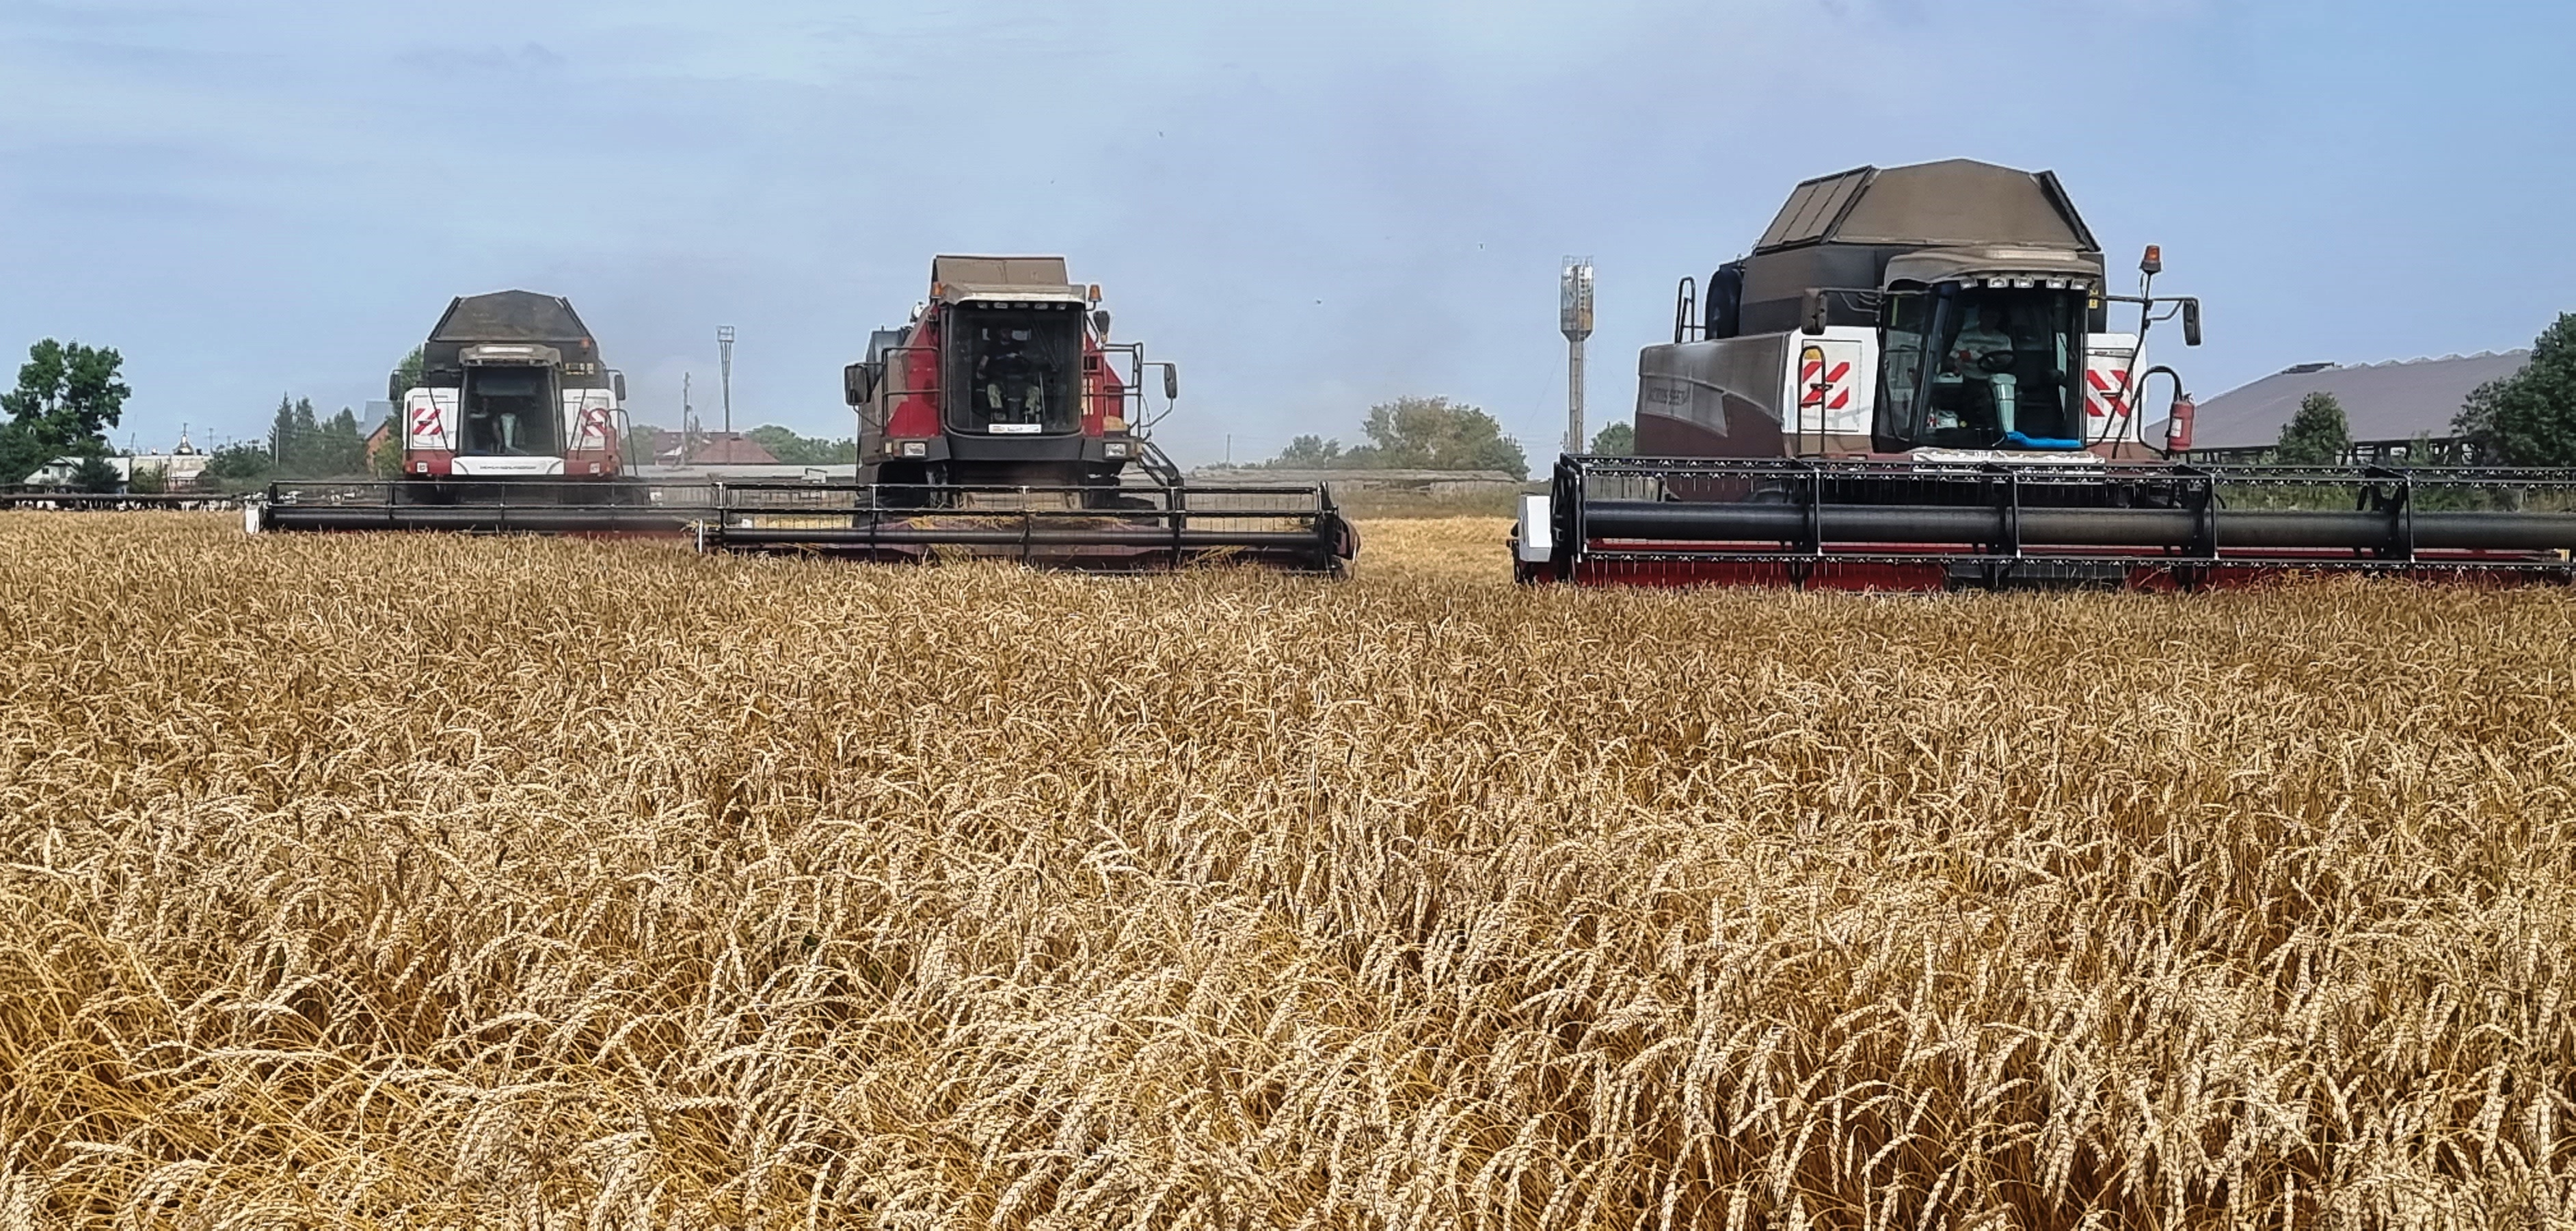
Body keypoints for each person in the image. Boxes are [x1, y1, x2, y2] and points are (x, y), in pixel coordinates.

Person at [1944, 304, 2020, 436]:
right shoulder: (1966, 336)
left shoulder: (2003, 340)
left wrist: (1995, 357)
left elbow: (2008, 361)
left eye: (1994, 317)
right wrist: (1961, 360)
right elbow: (1952, 358)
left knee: (2018, 395)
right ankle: (1978, 430)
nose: (1991, 320)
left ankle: (2006, 430)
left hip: (1995, 379)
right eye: (1987, 316)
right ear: (1980, 317)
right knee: (1981, 397)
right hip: (1971, 378)